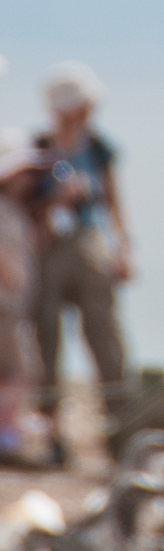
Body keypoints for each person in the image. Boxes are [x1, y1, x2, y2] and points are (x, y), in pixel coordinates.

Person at [32, 61, 131, 451]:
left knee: (104, 333)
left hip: (90, 242)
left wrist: (124, 248)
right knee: (46, 335)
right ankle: (51, 429)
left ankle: (120, 423)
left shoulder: (99, 148)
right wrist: (54, 198)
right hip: (49, 248)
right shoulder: (37, 149)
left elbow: (114, 203)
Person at [0, 135, 45, 465]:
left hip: (13, 305)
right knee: (20, 370)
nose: (28, 179)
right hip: (5, 304)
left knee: (19, 370)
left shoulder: (16, 209)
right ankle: (7, 435)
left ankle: (10, 430)